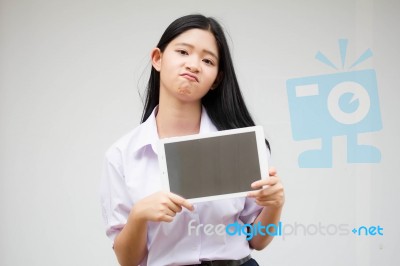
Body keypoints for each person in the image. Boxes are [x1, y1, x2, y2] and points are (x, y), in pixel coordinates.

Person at [100, 14, 285, 266]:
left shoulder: (241, 146)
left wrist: (275, 205)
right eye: (183, 52)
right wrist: (139, 216)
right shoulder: (122, 155)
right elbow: (127, 261)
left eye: (208, 60)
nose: (194, 65)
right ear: (157, 59)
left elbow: (258, 241)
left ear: (216, 79)